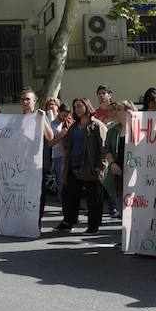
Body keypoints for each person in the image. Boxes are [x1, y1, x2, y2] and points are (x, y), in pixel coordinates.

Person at [59, 98, 108, 233]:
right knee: (71, 196)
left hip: (90, 166)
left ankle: (93, 226)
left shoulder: (97, 125)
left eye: (80, 106)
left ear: (87, 106)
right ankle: (68, 221)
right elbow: (68, 146)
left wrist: (100, 166)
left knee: (94, 199)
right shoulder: (74, 126)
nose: (77, 109)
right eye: (75, 107)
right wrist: (65, 164)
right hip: (73, 166)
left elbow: (104, 147)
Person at [20, 88, 55, 228]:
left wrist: (42, 120)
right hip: (22, 164)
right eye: (22, 99)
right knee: (24, 194)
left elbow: (50, 137)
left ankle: (36, 223)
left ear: (34, 101)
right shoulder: (18, 119)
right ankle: (25, 223)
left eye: (28, 99)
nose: (25, 102)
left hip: (38, 164)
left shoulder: (40, 116)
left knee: (38, 195)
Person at [103, 100, 136, 215]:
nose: (115, 112)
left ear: (128, 111)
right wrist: (112, 164)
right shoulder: (112, 131)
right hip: (119, 172)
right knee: (122, 205)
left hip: (135, 173)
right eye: (114, 109)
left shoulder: (139, 129)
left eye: (118, 109)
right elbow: (106, 149)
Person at [50, 102, 74, 213]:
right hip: (58, 156)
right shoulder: (52, 125)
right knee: (61, 182)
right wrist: (61, 135)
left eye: (67, 115)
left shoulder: (70, 122)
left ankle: (71, 205)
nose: (65, 118)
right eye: (63, 115)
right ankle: (64, 206)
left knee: (71, 181)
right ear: (58, 112)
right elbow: (50, 144)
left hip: (71, 155)